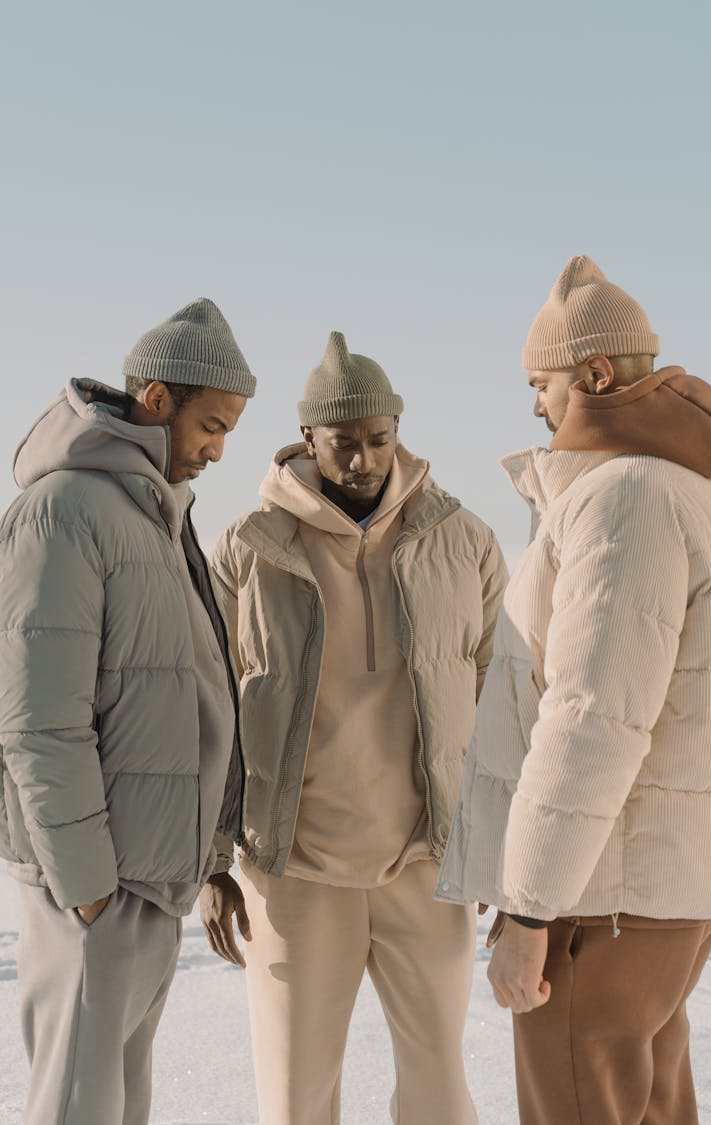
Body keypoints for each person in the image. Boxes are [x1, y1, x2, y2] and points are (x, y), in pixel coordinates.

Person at [437, 255, 711, 1124]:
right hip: (656, 895)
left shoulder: (626, 499)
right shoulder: (700, 495)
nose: (534, 405)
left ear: (595, 374)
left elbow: (592, 721)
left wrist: (532, 907)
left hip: (600, 899)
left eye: (540, 383)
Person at [199, 330, 507, 1124]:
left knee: (441, 1092)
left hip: (426, 865)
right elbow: (212, 714)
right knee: (296, 1101)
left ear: (398, 432)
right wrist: (210, 860)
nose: (364, 459)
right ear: (308, 439)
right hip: (293, 872)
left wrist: (500, 853)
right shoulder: (246, 549)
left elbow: (504, 700)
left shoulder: (461, 539)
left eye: (379, 439)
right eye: (344, 443)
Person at [0, 298, 255, 1125]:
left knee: (115, 1108)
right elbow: (39, 719)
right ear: (155, 400)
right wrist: (88, 891)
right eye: (210, 426)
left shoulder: (153, 512)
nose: (219, 450)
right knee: (75, 1109)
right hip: (93, 890)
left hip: (146, 883)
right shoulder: (67, 509)